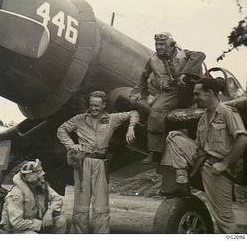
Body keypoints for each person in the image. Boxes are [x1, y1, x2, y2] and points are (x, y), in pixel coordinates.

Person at [160, 78, 247, 233]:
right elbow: (200, 146)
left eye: (198, 94)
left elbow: (242, 140)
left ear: (210, 93)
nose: (195, 97)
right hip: (202, 162)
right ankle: (182, 182)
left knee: (224, 220)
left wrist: (225, 164)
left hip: (218, 171)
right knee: (174, 137)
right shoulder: (203, 118)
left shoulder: (227, 112)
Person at [57, 90, 139, 233]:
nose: (93, 108)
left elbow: (134, 113)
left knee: (101, 206)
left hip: (101, 163)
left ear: (104, 105)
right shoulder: (79, 119)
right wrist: (71, 145)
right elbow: (61, 130)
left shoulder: (112, 119)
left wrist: (131, 128)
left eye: (97, 106)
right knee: (81, 206)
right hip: (83, 163)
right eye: (91, 105)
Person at [130, 32, 206, 164]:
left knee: (206, 112)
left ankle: (204, 148)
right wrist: (137, 91)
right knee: (155, 112)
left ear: (171, 44)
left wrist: (185, 73)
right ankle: (155, 151)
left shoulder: (185, 54)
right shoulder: (153, 60)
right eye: (157, 44)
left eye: (162, 44)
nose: (158, 47)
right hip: (172, 92)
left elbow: (200, 55)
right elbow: (144, 75)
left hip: (191, 91)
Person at [0, 159, 67, 234]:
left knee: (61, 221)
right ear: (31, 178)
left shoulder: (42, 186)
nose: (43, 174)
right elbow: (17, 223)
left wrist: (49, 212)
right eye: (39, 173)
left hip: (36, 224)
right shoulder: (16, 195)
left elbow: (58, 199)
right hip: (18, 229)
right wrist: (40, 224)